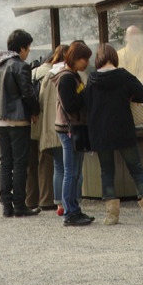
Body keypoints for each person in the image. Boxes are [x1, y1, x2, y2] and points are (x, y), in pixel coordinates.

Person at [85, 42, 143, 225]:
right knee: (135, 168)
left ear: (98, 59)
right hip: (123, 129)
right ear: (114, 57)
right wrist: (129, 97)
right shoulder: (124, 76)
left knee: (107, 171)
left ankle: (112, 214)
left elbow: (86, 103)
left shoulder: (92, 79)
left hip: (101, 132)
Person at [0, 28, 40, 217]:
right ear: (21, 48)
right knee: (20, 163)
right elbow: (28, 93)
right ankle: (20, 204)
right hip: (18, 120)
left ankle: (6, 206)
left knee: (5, 163)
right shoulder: (20, 66)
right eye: (28, 48)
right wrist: (35, 111)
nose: (29, 51)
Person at [51, 39, 94, 227]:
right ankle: (70, 213)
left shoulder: (72, 75)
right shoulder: (67, 78)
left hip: (72, 128)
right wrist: (86, 94)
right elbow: (70, 104)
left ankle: (74, 209)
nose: (87, 63)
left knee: (75, 172)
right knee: (71, 172)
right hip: (69, 129)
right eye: (84, 59)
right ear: (75, 58)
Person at [38, 43, 69, 215]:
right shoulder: (71, 74)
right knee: (71, 168)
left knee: (58, 166)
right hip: (67, 126)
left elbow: (41, 101)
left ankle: (59, 204)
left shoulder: (48, 76)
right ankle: (71, 201)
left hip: (51, 127)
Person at [25, 50, 55, 211]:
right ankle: (46, 199)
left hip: (29, 123)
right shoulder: (52, 74)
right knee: (45, 161)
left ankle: (30, 199)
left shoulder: (31, 72)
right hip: (44, 122)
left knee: (30, 164)